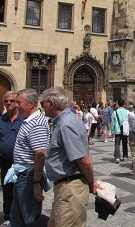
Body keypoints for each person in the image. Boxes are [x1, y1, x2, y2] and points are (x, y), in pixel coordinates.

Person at [43, 87, 100, 227]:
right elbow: (86, 152)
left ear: (51, 103)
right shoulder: (68, 120)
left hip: (70, 188)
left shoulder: (66, 124)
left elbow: (84, 160)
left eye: (43, 103)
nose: (42, 106)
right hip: (64, 187)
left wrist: (92, 182)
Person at [9, 88, 50, 227]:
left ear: (31, 104)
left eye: (19, 102)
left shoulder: (36, 123)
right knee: (17, 217)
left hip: (29, 176)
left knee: (32, 220)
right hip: (22, 175)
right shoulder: (29, 120)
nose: (16, 105)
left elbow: (40, 153)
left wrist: (36, 182)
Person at [0, 91, 24, 226]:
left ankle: (22, 215)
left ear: (17, 102)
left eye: (11, 101)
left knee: (21, 189)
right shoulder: (0, 120)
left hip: (21, 161)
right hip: (5, 160)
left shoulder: (24, 119)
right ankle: (8, 216)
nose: (8, 103)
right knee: (7, 189)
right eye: (6, 101)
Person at [110, 99, 129, 163]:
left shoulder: (115, 112)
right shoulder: (127, 112)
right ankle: (125, 156)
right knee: (125, 143)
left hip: (117, 130)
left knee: (117, 144)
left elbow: (113, 122)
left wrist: (112, 130)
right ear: (124, 104)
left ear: (118, 104)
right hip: (125, 130)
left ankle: (117, 157)